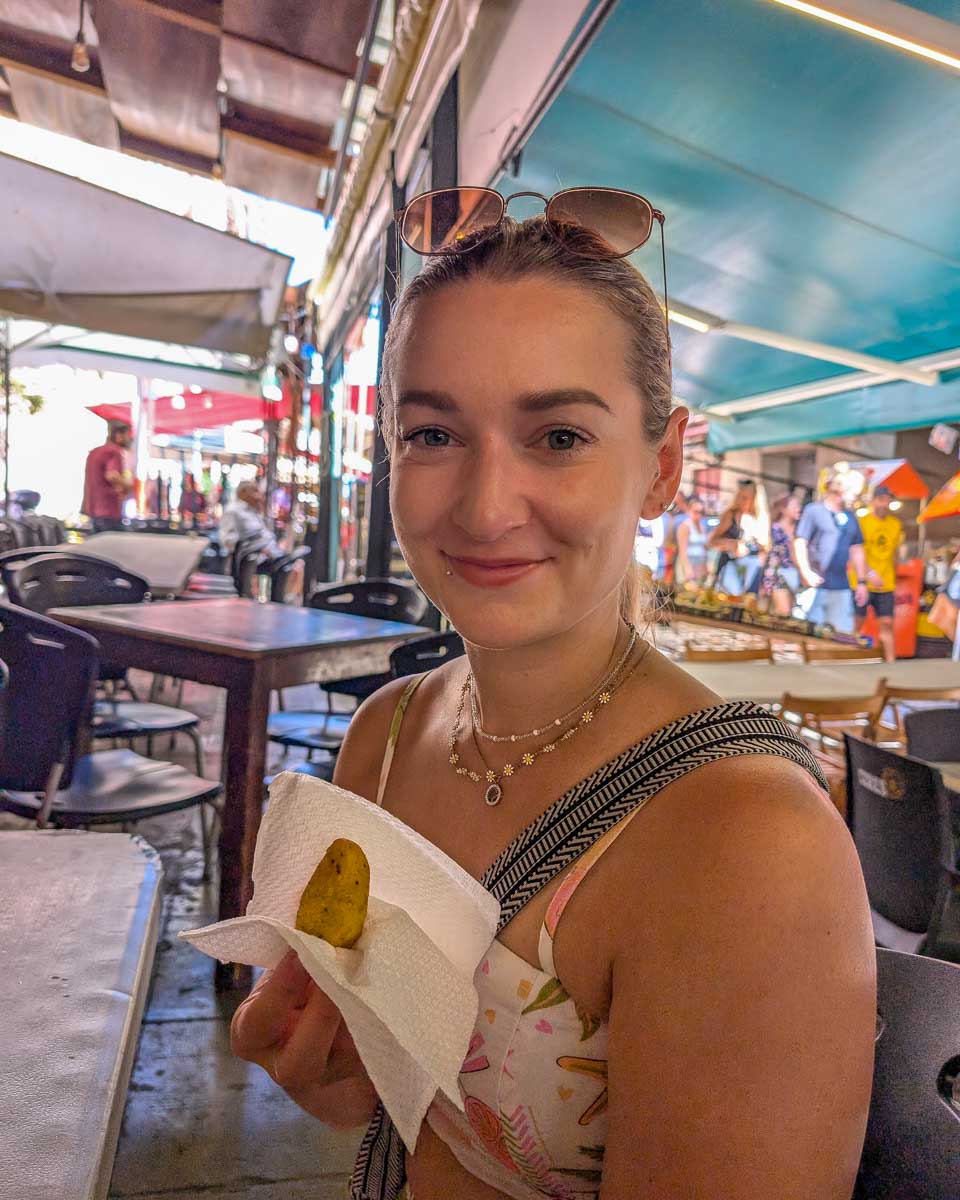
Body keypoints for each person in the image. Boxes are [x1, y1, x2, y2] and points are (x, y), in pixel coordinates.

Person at [230, 202, 875, 1200]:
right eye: (435, 432)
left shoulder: (747, 841)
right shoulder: (384, 739)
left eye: (559, 434)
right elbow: (412, 1112)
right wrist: (339, 1074)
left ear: (663, 466)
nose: (486, 508)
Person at [794, 470, 869, 634]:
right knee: (807, 633)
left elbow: (857, 550)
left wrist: (862, 582)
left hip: (841, 586)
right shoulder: (814, 510)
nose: (856, 497)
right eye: (853, 492)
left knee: (841, 634)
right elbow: (800, 542)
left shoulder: (851, 518)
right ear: (840, 490)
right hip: (815, 585)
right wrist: (806, 572)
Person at [853, 486, 903, 663]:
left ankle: (890, 662)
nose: (885, 504)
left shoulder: (895, 524)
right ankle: (851, 658)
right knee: (858, 622)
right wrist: (869, 573)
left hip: (886, 583)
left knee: (887, 623)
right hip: (861, 582)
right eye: (881, 499)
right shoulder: (862, 522)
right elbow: (856, 552)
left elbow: (895, 553)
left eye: (888, 500)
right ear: (873, 501)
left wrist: (894, 575)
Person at [707, 478, 770, 596]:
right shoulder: (730, 515)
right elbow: (712, 541)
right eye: (739, 496)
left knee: (747, 602)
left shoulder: (761, 518)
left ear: (754, 499)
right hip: (729, 566)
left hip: (751, 569)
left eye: (745, 498)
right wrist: (731, 544)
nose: (741, 501)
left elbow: (765, 548)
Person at [81, 419, 134, 532]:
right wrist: (129, 486)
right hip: (108, 511)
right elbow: (112, 475)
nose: (130, 439)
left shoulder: (94, 452)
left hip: (92, 510)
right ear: (118, 435)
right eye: (128, 435)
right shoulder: (113, 451)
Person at [218, 480, 285, 560]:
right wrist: (258, 549)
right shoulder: (233, 511)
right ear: (243, 493)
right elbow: (228, 541)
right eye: (255, 491)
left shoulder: (252, 511)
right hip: (253, 562)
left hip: (271, 556)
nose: (259, 495)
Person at [760, 492, 803, 616]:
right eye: (794, 506)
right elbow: (768, 554)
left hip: (795, 575)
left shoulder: (800, 530)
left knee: (788, 614)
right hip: (777, 575)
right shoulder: (774, 529)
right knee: (783, 612)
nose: (798, 509)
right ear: (783, 509)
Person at [674, 494, 709, 587]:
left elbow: (704, 548)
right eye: (696, 511)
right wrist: (687, 569)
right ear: (689, 511)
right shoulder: (685, 526)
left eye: (701, 512)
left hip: (699, 566)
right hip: (687, 565)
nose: (699, 515)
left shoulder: (702, 526)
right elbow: (682, 550)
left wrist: (706, 566)